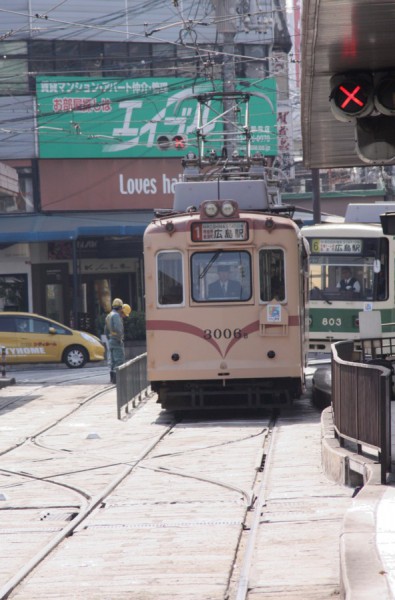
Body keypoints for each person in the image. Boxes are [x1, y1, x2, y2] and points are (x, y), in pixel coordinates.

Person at [104, 298, 125, 383]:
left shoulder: (109, 315)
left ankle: (112, 379)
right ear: (120, 308)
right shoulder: (116, 316)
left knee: (112, 360)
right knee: (119, 360)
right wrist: (120, 338)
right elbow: (118, 328)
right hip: (116, 340)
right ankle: (118, 380)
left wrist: (109, 338)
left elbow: (105, 330)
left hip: (111, 340)